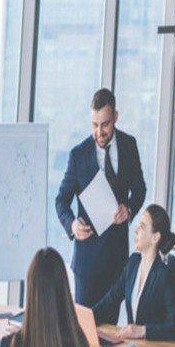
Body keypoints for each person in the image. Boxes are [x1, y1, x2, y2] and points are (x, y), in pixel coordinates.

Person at [55, 87, 147, 308]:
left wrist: (129, 208)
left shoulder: (129, 146)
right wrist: (72, 226)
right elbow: (61, 201)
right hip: (87, 263)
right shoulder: (78, 156)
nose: (99, 132)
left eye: (105, 124)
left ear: (115, 117)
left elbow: (140, 189)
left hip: (116, 261)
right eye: (94, 125)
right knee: (85, 332)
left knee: (110, 334)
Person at [92, 204, 175, 341]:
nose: (135, 231)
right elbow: (111, 298)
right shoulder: (133, 263)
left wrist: (142, 331)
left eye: (142, 227)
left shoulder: (163, 275)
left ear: (155, 237)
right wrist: (88, 316)